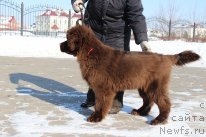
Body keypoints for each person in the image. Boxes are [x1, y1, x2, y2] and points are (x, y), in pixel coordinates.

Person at [71, 0, 151, 113]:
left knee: (117, 69)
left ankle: (115, 100)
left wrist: (142, 40)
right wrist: (76, 1)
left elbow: (136, 15)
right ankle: (93, 97)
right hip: (94, 30)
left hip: (118, 35)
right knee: (94, 66)